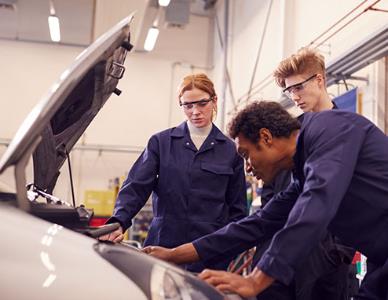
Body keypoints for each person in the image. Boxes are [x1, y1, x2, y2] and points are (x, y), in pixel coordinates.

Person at [143, 101, 388, 299]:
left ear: (266, 137)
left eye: (246, 155)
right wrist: (173, 254)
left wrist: (256, 280)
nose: (247, 168)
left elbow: (316, 205)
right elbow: (257, 224)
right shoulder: (302, 174)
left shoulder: (329, 129)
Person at [101, 73, 247, 272]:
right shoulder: (161, 143)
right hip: (163, 245)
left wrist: (226, 250)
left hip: (209, 253)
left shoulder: (231, 150)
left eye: (202, 103)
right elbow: (136, 187)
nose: (195, 111)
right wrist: (118, 222)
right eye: (188, 105)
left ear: (214, 101)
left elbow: (237, 210)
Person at [254, 47, 355, 300]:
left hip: (327, 257)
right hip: (284, 252)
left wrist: (338, 250)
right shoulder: (290, 131)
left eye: (297, 88)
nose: (293, 97)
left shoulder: (352, 130)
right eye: (288, 91)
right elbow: (271, 187)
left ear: (319, 80)